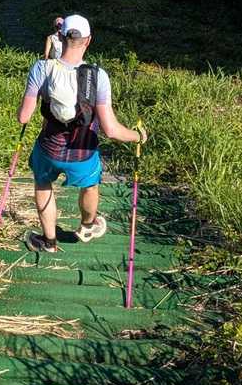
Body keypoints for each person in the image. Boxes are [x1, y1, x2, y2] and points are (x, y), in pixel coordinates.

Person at [17, 14, 147, 255]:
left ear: (59, 36)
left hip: (49, 148)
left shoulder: (41, 68)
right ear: (88, 40)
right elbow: (111, 129)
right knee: (90, 185)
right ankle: (87, 227)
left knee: (43, 184)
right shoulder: (98, 76)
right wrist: (137, 136)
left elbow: (24, 117)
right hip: (83, 150)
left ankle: (49, 241)